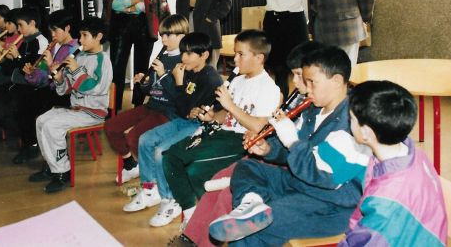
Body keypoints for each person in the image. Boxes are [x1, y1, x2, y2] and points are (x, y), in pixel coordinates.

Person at [208, 46, 371, 245]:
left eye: (311, 82)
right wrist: (268, 149)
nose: (306, 88)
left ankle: (253, 217)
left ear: (337, 81)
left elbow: (320, 174)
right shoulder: (313, 110)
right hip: (298, 184)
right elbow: (290, 154)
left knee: (250, 232)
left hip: (329, 204)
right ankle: (252, 203)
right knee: (247, 167)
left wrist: (292, 140)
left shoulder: (353, 123)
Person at [172, 40, 325, 247]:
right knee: (215, 183)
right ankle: (191, 238)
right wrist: (265, 143)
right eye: (295, 75)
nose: (295, 83)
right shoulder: (300, 96)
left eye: (301, 76)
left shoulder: (320, 109)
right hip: (273, 157)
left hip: (286, 169)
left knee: (228, 194)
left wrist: (271, 144)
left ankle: (204, 242)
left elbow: (304, 154)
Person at [159, 30, 281, 228]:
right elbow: (225, 114)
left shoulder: (269, 88)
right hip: (219, 133)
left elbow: (259, 126)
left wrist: (230, 105)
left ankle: (211, 217)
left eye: (241, 54)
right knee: (171, 156)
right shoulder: (238, 81)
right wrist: (212, 116)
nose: (235, 59)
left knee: (195, 170)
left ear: (259, 58)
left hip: (240, 141)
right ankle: (191, 214)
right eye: (236, 53)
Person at [122, 32, 222, 227]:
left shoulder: (210, 78)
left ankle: (171, 199)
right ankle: (150, 190)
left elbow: (186, 108)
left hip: (199, 127)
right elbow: (181, 108)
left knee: (162, 151)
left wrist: (178, 82)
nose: (184, 58)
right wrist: (175, 82)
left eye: (190, 54)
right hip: (182, 120)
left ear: (204, 55)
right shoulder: (188, 71)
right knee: (145, 140)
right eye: (183, 53)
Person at [339, 80, 448, 246]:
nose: (348, 122)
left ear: (366, 132)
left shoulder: (386, 201)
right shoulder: (415, 154)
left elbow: (368, 241)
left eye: (351, 118)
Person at [28, 16, 112, 194]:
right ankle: (51, 166)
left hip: (92, 112)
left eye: (84, 35)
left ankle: (63, 173)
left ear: (98, 37)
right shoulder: (80, 57)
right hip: (76, 109)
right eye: (79, 36)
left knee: (52, 125)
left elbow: (95, 88)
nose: (80, 40)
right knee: (41, 121)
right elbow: (66, 89)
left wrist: (75, 70)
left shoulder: (103, 60)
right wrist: (59, 79)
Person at [104, 14, 189, 184]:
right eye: (161, 34)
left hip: (169, 111)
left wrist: (163, 74)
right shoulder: (162, 55)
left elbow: (179, 96)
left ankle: (155, 175)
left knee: (134, 137)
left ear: (181, 36)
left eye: (167, 35)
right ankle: (131, 165)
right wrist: (145, 81)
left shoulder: (185, 60)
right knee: (112, 126)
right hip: (152, 106)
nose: (162, 38)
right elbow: (151, 89)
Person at [103, 0, 170, 111]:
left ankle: (138, 105)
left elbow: (159, 2)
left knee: (142, 67)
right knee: (117, 67)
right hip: (120, 25)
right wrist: (135, 2)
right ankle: (114, 106)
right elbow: (111, 4)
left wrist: (166, 28)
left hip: (144, 25)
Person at [10, 9, 78, 164]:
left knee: (30, 106)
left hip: (66, 94)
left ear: (67, 28)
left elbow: (66, 79)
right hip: (52, 89)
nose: (52, 35)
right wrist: (32, 73)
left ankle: (38, 148)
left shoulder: (74, 49)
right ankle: (31, 144)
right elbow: (44, 77)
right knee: (22, 103)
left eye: (55, 30)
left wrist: (48, 65)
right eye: (51, 31)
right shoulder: (55, 46)